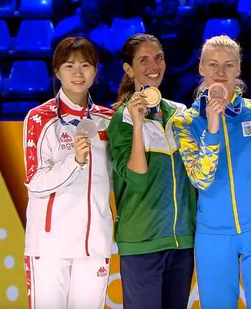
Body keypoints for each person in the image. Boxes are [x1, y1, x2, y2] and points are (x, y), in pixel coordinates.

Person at [172, 35, 251, 309]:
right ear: (200, 68)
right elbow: (201, 179)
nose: (220, 72)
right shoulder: (184, 123)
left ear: (239, 68)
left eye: (228, 65)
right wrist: (212, 128)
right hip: (213, 232)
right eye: (212, 65)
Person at [22, 36, 114, 309]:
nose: (78, 73)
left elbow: (114, 178)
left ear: (95, 71)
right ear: (57, 71)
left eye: (85, 65)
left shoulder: (107, 120)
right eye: (69, 66)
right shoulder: (39, 118)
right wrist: (74, 161)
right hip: (50, 247)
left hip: (94, 245)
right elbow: (35, 182)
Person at [106, 33, 196, 309]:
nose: (153, 65)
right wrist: (136, 124)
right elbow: (136, 179)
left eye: (158, 58)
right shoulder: (120, 118)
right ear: (129, 69)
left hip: (182, 243)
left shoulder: (180, 113)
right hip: (143, 243)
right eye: (143, 60)